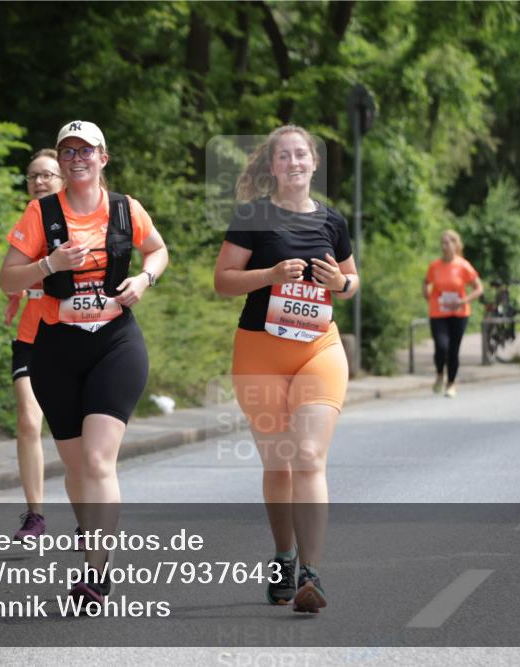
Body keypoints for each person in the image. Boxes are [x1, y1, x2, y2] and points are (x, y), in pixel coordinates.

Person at [0, 121, 168, 604]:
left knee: (97, 460)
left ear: (102, 158)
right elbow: (8, 280)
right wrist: (50, 264)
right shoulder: (42, 212)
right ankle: (92, 537)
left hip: (115, 343)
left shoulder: (126, 209)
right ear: (60, 159)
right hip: (56, 350)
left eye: (86, 151)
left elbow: (157, 250)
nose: (77, 159)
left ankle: (96, 572)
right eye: (68, 151)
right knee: (75, 469)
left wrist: (144, 279)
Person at [213, 125, 359, 613]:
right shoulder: (252, 216)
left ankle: (311, 575)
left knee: (309, 456)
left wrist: (341, 283)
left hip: (319, 349)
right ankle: (284, 556)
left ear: (314, 163)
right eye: (285, 156)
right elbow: (224, 281)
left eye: (302, 155)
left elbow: (351, 281)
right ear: (272, 166)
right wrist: (270, 275)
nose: (294, 162)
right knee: (279, 464)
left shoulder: (333, 220)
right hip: (260, 353)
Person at [4, 149, 63, 540]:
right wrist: (18, 291)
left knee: (74, 431)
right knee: (28, 419)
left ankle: (88, 516)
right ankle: (35, 516)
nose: (38, 182)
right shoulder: (28, 219)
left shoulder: (80, 218)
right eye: (32, 176)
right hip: (31, 334)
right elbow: (13, 271)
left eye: (47, 175)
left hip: (74, 333)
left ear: (64, 180)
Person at [423, 230, 483, 397]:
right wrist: (427, 294)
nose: (444, 246)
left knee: (453, 350)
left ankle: (451, 384)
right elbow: (426, 283)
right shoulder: (435, 266)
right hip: (438, 312)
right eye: (442, 243)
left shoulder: (463, 265)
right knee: (441, 346)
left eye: (447, 243)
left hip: (459, 313)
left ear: (456, 245)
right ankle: (439, 374)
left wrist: (463, 301)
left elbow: (479, 288)